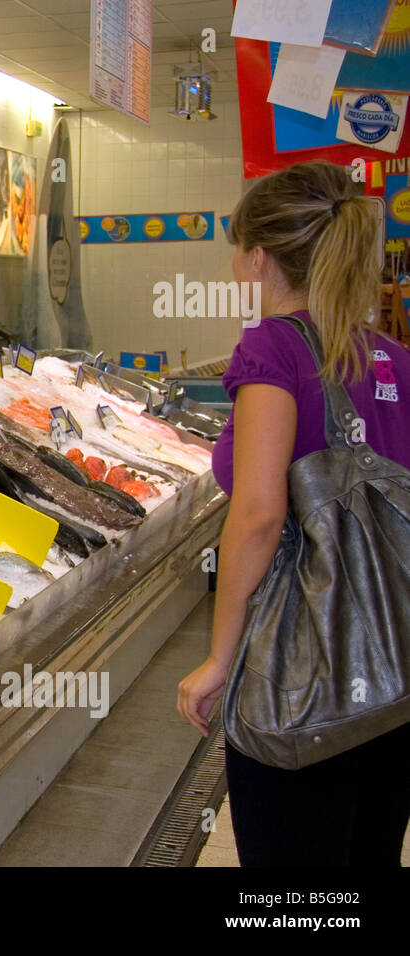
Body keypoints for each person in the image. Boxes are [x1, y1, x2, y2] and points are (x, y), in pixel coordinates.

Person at [176, 160, 410, 866]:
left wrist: (219, 658)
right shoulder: (394, 358)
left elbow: (257, 515)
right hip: (392, 673)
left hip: (301, 678)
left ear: (258, 256)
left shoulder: (273, 347)